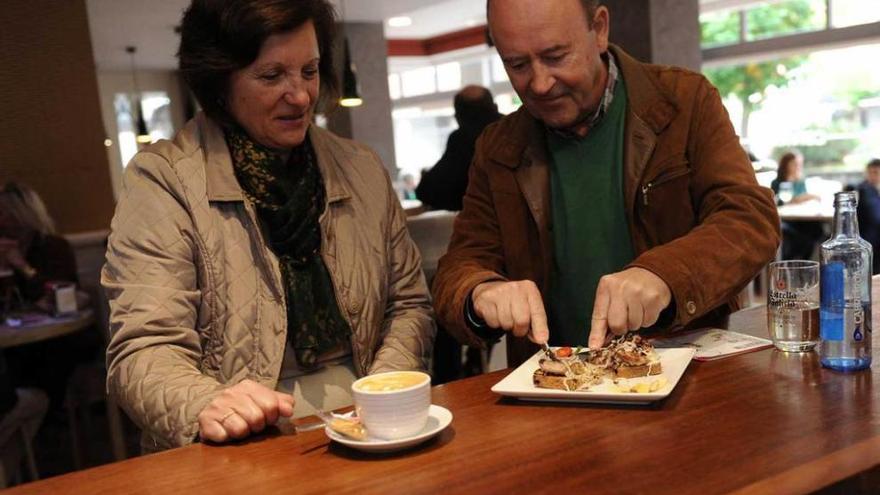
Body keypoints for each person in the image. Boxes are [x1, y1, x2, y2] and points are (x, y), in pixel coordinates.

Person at [102, 0, 435, 452]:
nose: (299, 96)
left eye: (310, 71)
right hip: (244, 444)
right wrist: (209, 403)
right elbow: (144, 350)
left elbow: (408, 303)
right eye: (272, 76)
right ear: (220, 80)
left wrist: (384, 386)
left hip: (373, 426)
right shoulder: (164, 180)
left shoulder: (361, 168)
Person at [432, 0, 780, 367]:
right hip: (553, 384)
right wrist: (480, 291)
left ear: (599, 29)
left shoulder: (684, 101)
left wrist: (663, 275)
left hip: (687, 373)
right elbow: (461, 263)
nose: (539, 83)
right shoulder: (497, 147)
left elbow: (749, 219)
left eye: (556, 57)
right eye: (516, 65)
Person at [416, 85, 503, 211]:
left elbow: (427, 191)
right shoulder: (515, 128)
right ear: (495, 108)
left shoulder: (462, 139)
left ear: (458, 117)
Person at [771, 151, 824, 260]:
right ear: (786, 164)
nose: (797, 167)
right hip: (785, 219)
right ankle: (793, 260)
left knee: (818, 229)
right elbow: (779, 201)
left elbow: (803, 198)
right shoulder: (777, 183)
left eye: (799, 164)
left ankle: (804, 260)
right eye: (794, 164)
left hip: (802, 218)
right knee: (795, 235)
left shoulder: (800, 182)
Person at [856, 159, 880, 274]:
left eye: (876, 172)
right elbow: (875, 216)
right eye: (869, 172)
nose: (872, 176)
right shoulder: (863, 189)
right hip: (868, 235)